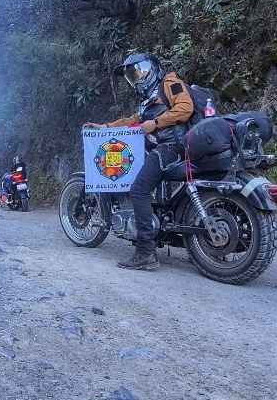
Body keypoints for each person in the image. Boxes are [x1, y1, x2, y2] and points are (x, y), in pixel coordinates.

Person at [83, 52, 194, 270]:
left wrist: (156, 123)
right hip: (164, 148)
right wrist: (105, 127)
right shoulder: (150, 99)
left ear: (152, 68)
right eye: (132, 75)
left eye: (139, 71)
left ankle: (145, 252)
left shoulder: (170, 82)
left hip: (172, 147)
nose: (137, 77)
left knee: (139, 190)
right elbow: (132, 121)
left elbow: (185, 107)